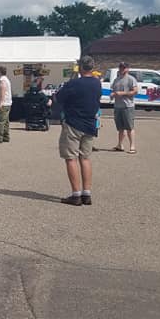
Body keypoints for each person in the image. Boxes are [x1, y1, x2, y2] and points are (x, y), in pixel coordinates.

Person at [54, 55, 102, 206]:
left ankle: (76, 194)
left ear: (80, 67)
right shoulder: (97, 83)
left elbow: (59, 98)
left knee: (71, 158)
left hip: (74, 123)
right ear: (92, 67)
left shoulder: (74, 83)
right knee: (85, 158)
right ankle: (86, 193)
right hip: (90, 124)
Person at [111, 62, 138, 154]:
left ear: (127, 69)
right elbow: (114, 91)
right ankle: (120, 145)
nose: (121, 69)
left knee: (129, 127)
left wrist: (123, 93)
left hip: (128, 106)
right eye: (120, 67)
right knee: (120, 128)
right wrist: (113, 94)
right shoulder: (116, 80)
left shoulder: (131, 79)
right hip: (117, 106)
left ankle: (132, 146)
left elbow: (135, 91)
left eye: (123, 67)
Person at [0, 66, 12, 143]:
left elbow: (3, 91)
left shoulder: (2, 80)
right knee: (6, 121)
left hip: (3, 104)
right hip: (7, 103)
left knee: (0, 121)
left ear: (0, 72)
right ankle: (6, 137)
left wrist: (0, 103)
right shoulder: (5, 79)